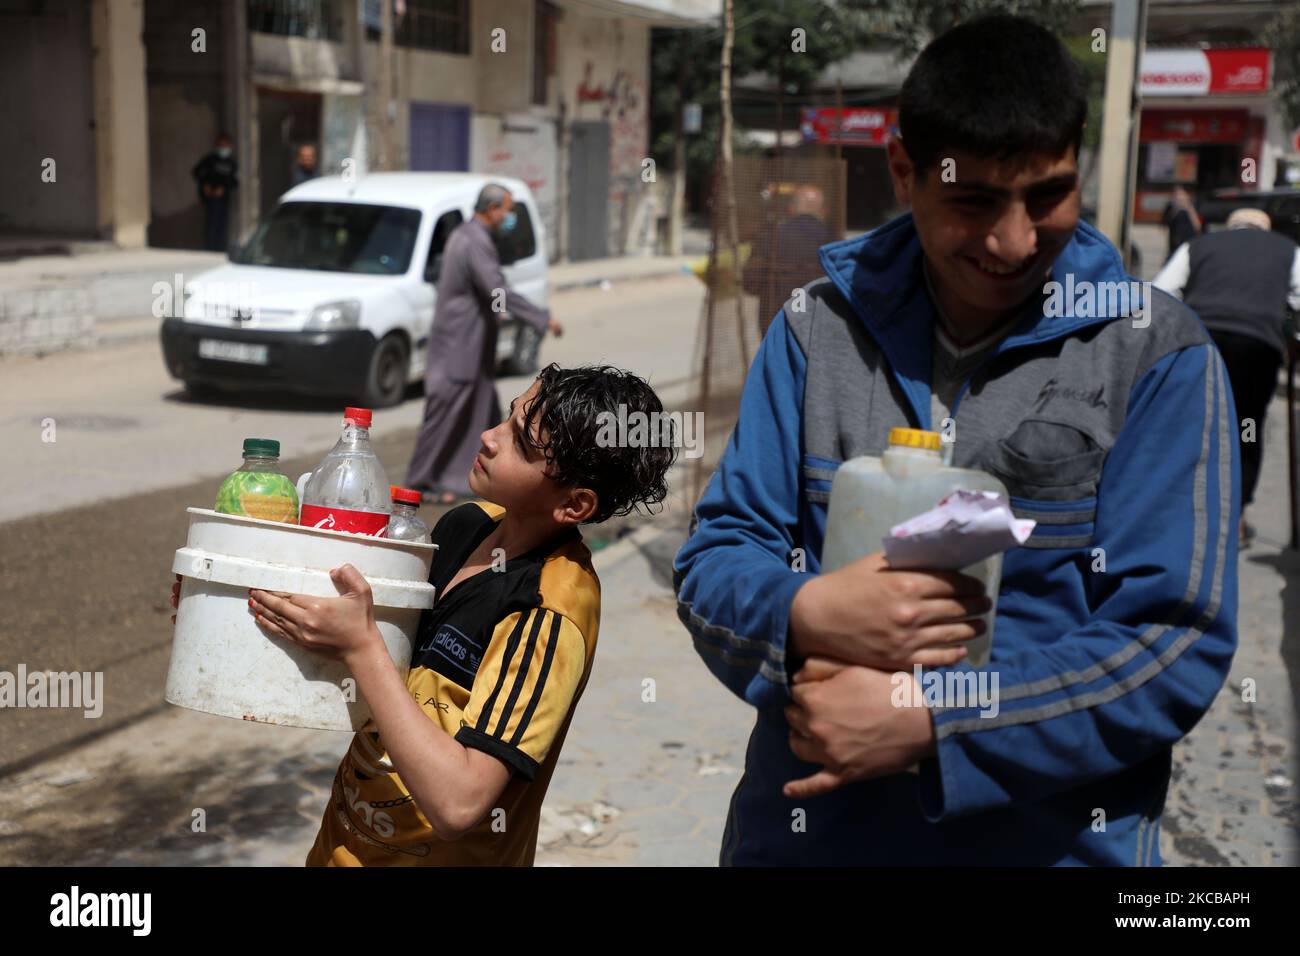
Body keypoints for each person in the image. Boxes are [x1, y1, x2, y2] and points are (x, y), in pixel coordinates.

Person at [673, 15, 1238, 866]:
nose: (1012, 241)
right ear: (905, 171)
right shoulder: (814, 334)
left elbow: (1171, 640)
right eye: (973, 201)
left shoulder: (1155, 354)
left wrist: (939, 724)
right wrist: (804, 614)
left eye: (1046, 196)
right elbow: (717, 556)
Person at [173, 364, 675, 865]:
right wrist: (227, 608)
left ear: (575, 505)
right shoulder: (466, 526)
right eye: (507, 418)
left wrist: (361, 645)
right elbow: (364, 647)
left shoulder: (547, 611)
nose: (489, 437)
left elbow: (459, 805)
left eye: (520, 443)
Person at [407, 184, 563, 506]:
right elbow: (496, 291)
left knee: (484, 417)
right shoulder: (473, 241)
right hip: (458, 349)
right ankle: (418, 484)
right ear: (492, 209)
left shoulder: (469, 236)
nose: (508, 217)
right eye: (506, 210)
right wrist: (539, 317)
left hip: (473, 351)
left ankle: (476, 481)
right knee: (445, 417)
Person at [1154, 207, 1300, 546]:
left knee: (1195, 423)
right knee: (1247, 426)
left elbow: (1160, 292)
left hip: (1201, 341)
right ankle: (1234, 517)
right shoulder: (1286, 250)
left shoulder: (1200, 246)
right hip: (1256, 346)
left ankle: (1182, 512)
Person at [744, 184, 837, 337]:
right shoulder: (834, 243)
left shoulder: (769, 238)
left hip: (774, 326)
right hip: (820, 331)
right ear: (824, 211)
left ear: (791, 209)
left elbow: (750, 284)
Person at [192, 133, 239, 253]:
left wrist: (224, 188)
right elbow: (196, 172)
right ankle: (210, 248)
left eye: (225, 145)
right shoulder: (210, 159)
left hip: (224, 198)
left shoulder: (232, 163)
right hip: (212, 198)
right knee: (211, 224)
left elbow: (235, 181)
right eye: (221, 145)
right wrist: (205, 186)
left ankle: (220, 249)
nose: (223, 148)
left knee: (223, 225)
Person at [1160, 185, 1201, 263]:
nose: (1180, 199)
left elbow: (1197, 226)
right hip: (1175, 245)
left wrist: (1188, 208)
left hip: (1189, 243)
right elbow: (1164, 225)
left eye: (1182, 196)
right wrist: (1176, 209)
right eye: (1177, 196)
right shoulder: (1171, 208)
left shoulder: (1191, 208)